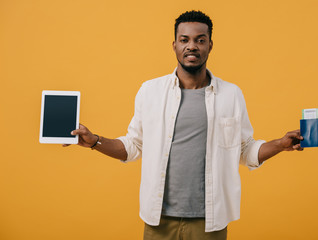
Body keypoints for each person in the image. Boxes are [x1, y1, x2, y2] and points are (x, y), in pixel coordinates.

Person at [64, 10, 303, 240]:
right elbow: (133, 146)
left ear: (210, 45)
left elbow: (245, 149)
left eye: (200, 40)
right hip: (159, 219)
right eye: (184, 39)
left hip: (210, 219)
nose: (192, 46)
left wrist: (280, 144)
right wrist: (95, 140)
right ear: (175, 45)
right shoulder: (150, 91)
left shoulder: (231, 94)